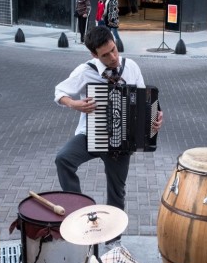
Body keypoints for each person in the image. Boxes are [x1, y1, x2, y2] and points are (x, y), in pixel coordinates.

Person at [54, 25, 163, 214]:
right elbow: (59, 92)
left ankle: (114, 240)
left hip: (122, 142)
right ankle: (78, 212)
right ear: (94, 55)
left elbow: (146, 99)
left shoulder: (131, 67)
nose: (113, 58)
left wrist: (155, 117)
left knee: (117, 192)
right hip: (90, 134)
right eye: (105, 55)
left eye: (113, 49)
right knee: (63, 159)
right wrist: (74, 104)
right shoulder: (85, 71)